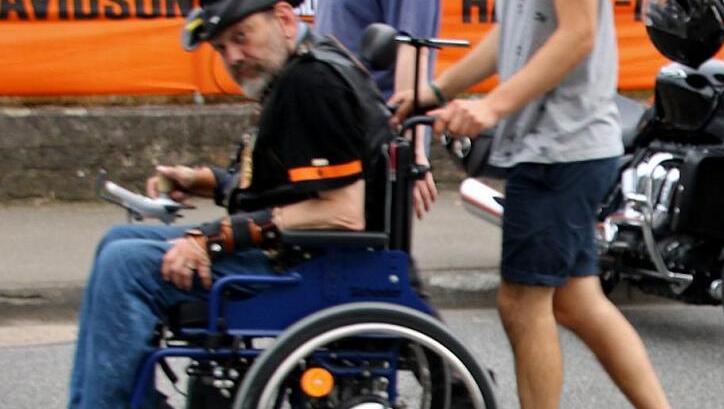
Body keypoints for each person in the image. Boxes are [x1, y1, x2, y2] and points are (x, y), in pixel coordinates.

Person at [67, 1, 396, 408]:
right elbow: (282, 192)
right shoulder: (300, 71)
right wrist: (203, 181)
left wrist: (214, 239)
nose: (233, 57)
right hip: (299, 253)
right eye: (222, 48)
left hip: (311, 267)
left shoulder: (312, 84)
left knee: (126, 267)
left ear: (285, 19)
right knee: (117, 241)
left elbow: (342, 212)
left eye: (241, 38)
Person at [391, 1, 672, 408]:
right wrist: (436, 91)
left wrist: (492, 106)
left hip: (560, 147)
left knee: (522, 304)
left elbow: (578, 35)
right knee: (578, 302)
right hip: (558, 146)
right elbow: (513, 32)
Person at [314, 0, 440, 219]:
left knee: (367, 237)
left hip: (371, 135)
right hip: (325, 121)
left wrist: (410, 149)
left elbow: (413, 49)